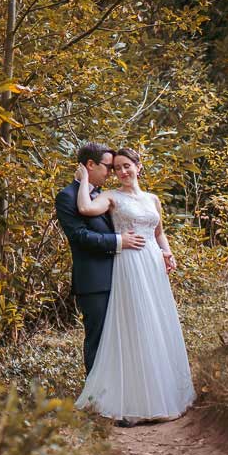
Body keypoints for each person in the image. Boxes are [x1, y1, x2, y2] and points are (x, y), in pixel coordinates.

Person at [72, 147, 195, 422]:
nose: (122, 172)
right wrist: (83, 181)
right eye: (117, 168)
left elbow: (159, 232)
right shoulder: (111, 197)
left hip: (153, 264)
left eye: (127, 166)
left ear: (139, 166)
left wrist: (168, 253)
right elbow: (84, 208)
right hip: (129, 264)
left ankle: (164, 391)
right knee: (136, 323)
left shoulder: (153, 199)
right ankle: (135, 400)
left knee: (157, 322)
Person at [53, 142, 147, 376]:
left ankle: (121, 389)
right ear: (90, 165)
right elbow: (79, 235)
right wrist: (118, 241)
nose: (112, 172)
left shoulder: (106, 196)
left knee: (122, 335)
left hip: (123, 274)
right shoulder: (67, 196)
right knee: (98, 337)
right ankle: (96, 394)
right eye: (108, 167)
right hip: (95, 281)